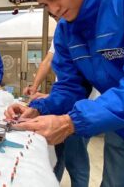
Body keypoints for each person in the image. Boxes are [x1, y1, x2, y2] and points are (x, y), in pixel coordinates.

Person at [5, 0, 124, 186]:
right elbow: (70, 87)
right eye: (45, 4)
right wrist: (40, 108)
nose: (54, 10)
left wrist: (70, 122)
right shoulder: (65, 32)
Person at [23, 39, 90, 187]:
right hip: (65, 102)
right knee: (57, 156)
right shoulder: (63, 31)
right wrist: (39, 100)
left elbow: (79, 88)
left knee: (75, 159)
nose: (60, 18)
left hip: (86, 107)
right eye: (54, 17)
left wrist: (44, 103)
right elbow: (67, 86)